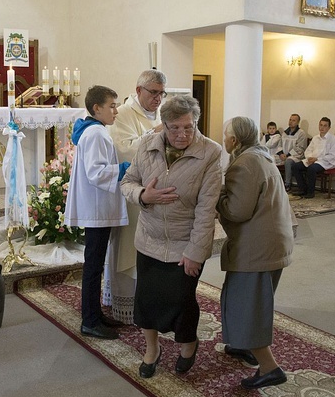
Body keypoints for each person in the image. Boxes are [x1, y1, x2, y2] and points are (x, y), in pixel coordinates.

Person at [120, 95, 222, 378]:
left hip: (184, 245)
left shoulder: (210, 153)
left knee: (183, 302)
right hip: (149, 241)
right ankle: (152, 349)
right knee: (147, 300)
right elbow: (127, 182)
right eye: (175, 128)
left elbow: (206, 210)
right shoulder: (147, 146)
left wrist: (196, 252)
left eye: (188, 127)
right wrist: (144, 195)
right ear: (163, 125)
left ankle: (188, 345)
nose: (182, 134)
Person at [216, 116, 294, 389]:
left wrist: (216, 195)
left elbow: (237, 210)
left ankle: (270, 367)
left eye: (226, 135)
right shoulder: (261, 156)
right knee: (245, 300)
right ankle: (243, 345)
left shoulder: (244, 164)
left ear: (234, 140)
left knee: (246, 306)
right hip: (271, 242)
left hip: (257, 248)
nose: (223, 139)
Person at [64, 85, 129, 340]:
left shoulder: (93, 131)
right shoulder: (97, 134)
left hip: (97, 207)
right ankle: (89, 321)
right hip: (98, 208)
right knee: (93, 267)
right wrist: (125, 168)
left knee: (95, 264)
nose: (116, 110)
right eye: (112, 106)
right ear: (96, 108)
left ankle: (94, 314)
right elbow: (96, 173)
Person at [105, 69, 166, 324]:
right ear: (139, 90)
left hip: (159, 193)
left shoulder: (161, 113)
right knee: (130, 248)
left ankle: (151, 304)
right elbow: (123, 151)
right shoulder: (124, 114)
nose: (158, 98)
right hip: (133, 192)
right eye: (154, 92)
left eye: (162, 93)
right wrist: (155, 134)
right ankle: (126, 306)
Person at [290, 117, 335, 198]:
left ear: (329, 128)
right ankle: (302, 188)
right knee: (295, 166)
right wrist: (309, 158)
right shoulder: (315, 138)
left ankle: (310, 192)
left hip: (325, 162)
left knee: (312, 169)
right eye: (321, 125)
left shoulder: (333, 139)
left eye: (325, 126)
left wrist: (317, 159)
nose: (322, 127)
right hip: (312, 160)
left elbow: (333, 155)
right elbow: (308, 150)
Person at [278, 114, 308, 191]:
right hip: (283, 155)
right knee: (270, 159)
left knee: (288, 161)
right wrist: (281, 153)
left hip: (296, 156)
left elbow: (300, 148)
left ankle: (287, 184)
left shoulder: (301, 133)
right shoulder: (284, 133)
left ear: (298, 122)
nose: (291, 122)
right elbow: (280, 145)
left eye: (293, 120)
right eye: (290, 120)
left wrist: (287, 155)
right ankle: (276, 183)